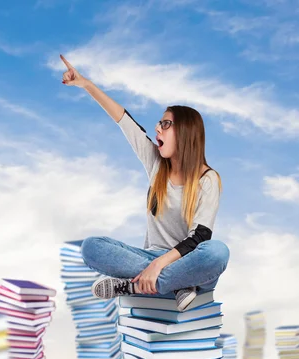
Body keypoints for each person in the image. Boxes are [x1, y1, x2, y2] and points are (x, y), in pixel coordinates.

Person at [59, 54, 230, 312]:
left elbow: (200, 237)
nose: (157, 128)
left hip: (189, 262)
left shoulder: (208, 179)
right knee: (91, 247)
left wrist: (159, 266)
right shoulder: (157, 165)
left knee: (217, 252)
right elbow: (125, 121)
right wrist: (86, 84)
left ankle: (135, 285)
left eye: (166, 124)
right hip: (148, 259)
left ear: (185, 133)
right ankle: (176, 287)